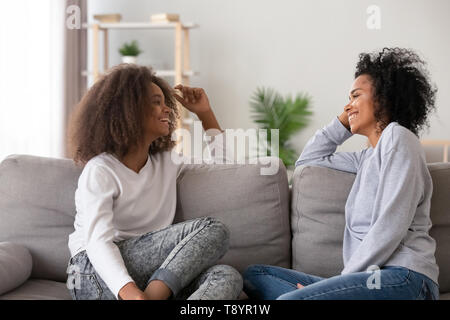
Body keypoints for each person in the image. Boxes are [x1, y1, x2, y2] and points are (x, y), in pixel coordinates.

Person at [243, 47, 440, 300]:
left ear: (383, 98)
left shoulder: (399, 138)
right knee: (255, 275)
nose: (348, 106)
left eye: (356, 96)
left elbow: (390, 225)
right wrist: (345, 119)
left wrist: (342, 282)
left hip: (405, 277)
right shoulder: (366, 158)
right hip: (367, 279)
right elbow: (309, 160)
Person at [66, 64, 243, 300]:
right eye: (156, 102)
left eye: (165, 102)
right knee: (213, 229)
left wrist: (205, 114)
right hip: (92, 272)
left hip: (147, 275)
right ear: (129, 110)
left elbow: (226, 171)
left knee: (226, 275)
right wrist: (131, 295)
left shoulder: (167, 162)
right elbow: (98, 242)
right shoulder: (100, 170)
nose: (168, 109)